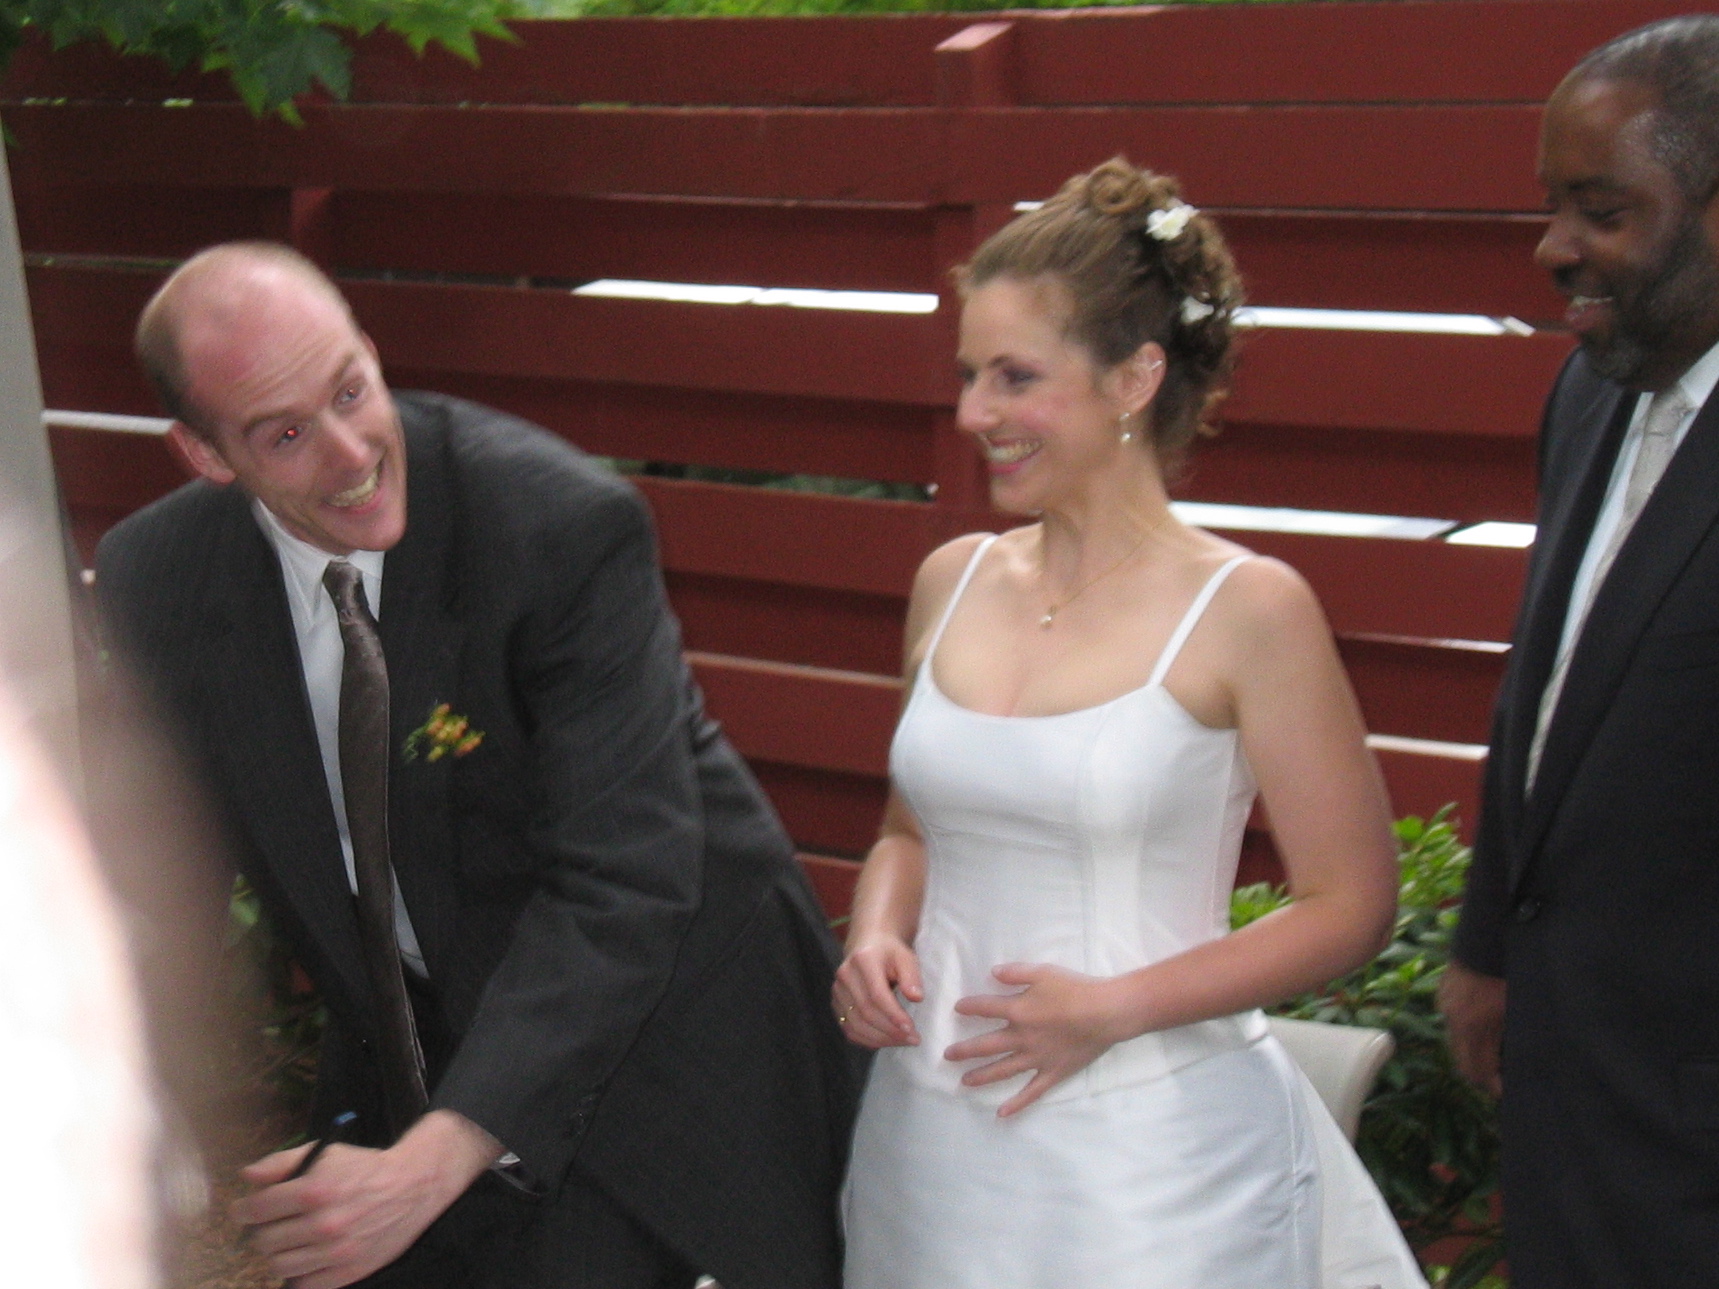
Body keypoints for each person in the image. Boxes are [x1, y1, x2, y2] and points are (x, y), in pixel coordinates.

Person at [94, 241, 859, 1289]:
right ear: (204, 454)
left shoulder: (554, 527)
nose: (350, 453)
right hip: (416, 1045)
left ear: (369, 350)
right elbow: (149, 873)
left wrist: (433, 1162)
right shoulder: (158, 579)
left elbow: (623, 881)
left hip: (666, 1031)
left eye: (350, 391)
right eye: (285, 433)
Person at [833, 158, 1424, 1289]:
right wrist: (874, 932)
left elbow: (1350, 902)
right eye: (968, 376)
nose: (973, 414)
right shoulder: (951, 578)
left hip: (1150, 1163)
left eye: (1014, 376)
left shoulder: (1249, 608)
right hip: (930, 1143)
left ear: (1135, 377)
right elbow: (909, 830)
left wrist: (1112, 1008)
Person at [1438, 16, 1719, 1288]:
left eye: (1601, 211)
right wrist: (1488, 942)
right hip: (1572, 1108)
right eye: (1553, 206)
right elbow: (1548, 690)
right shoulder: (1590, 391)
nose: (1553, 248)